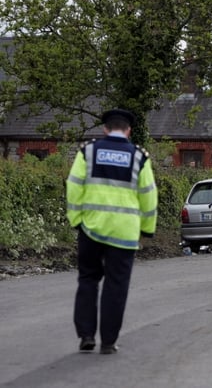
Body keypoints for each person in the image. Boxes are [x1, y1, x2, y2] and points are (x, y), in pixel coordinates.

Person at [67, 109, 158, 355]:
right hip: (124, 233)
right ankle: (108, 341)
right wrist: (147, 228)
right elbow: (149, 195)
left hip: (91, 228)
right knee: (116, 285)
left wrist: (76, 220)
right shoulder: (138, 157)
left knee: (88, 279)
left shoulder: (88, 152)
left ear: (105, 129)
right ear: (128, 131)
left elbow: (74, 187)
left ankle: (86, 335)